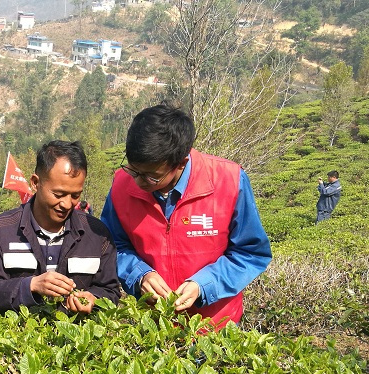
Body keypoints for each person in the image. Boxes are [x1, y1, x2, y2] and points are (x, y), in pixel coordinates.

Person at [100, 104, 271, 329]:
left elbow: (250, 253)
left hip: (217, 325)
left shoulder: (229, 180)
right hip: (154, 327)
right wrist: (139, 275)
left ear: (182, 162)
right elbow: (111, 246)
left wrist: (204, 285)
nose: (138, 182)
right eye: (133, 170)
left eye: (152, 176)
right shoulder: (122, 185)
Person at [0, 140, 121, 314]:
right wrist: (29, 286)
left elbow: (110, 291)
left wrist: (94, 299)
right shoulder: (0, 230)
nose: (67, 204)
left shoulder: (97, 234)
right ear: (35, 183)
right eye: (58, 194)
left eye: (75, 195)